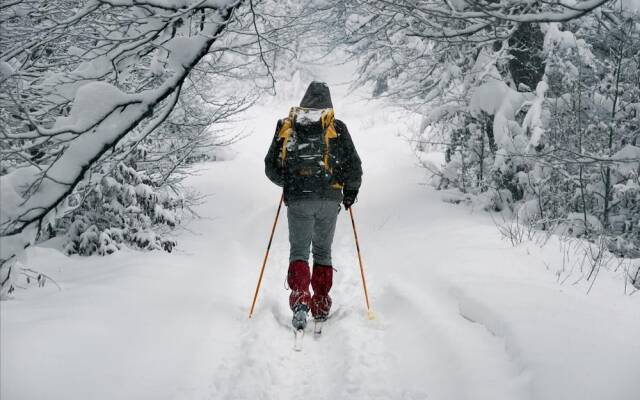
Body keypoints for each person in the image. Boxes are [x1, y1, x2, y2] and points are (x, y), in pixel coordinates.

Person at [264, 81, 362, 329]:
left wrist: (288, 182)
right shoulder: (336, 127)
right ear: (329, 103)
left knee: (299, 252)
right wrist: (349, 194)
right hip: (330, 199)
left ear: (305, 100)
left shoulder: (288, 126)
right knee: (322, 251)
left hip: (299, 200)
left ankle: (299, 302)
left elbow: (270, 167)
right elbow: (354, 166)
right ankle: (320, 304)